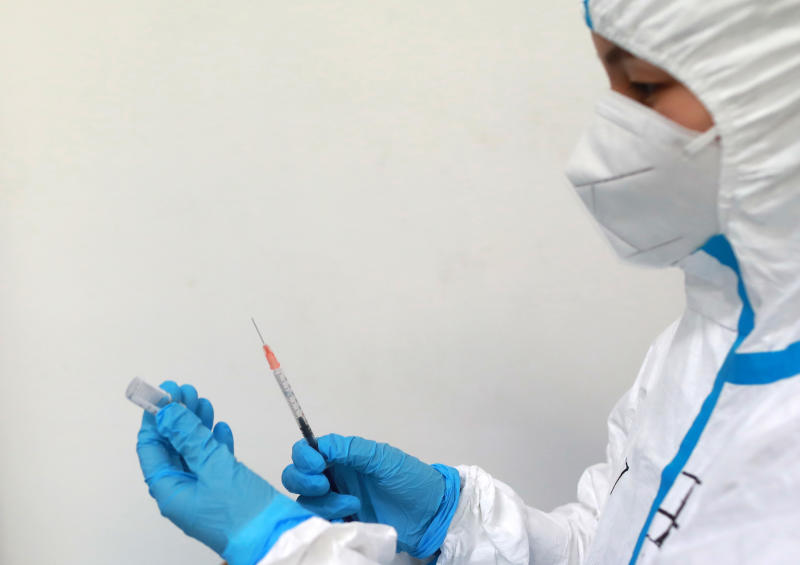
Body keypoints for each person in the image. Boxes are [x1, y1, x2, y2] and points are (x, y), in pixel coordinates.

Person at [136, 0, 800, 563]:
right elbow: (619, 542)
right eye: (611, 83)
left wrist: (287, 547)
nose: (606, 139)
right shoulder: (703, 342)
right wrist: (455, 523)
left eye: (646, 86)